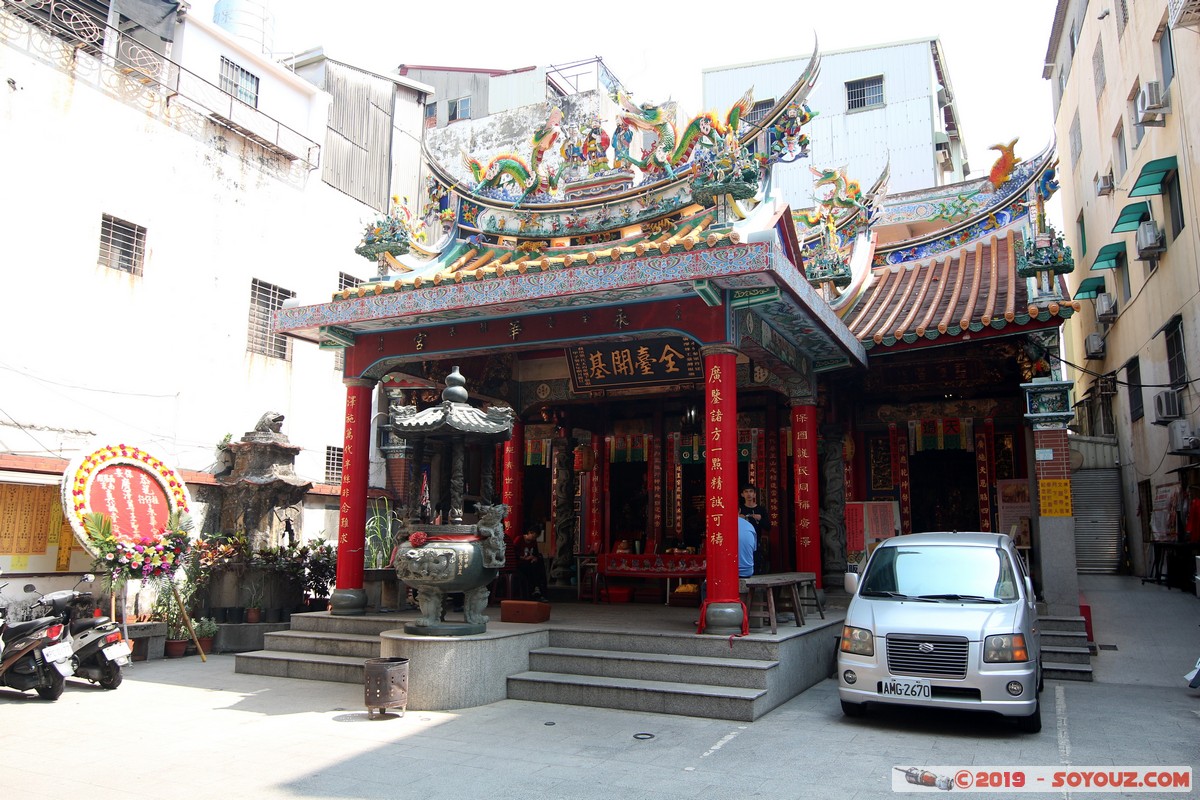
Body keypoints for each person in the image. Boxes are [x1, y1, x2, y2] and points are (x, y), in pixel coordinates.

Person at [739, 485, 768, 573]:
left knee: (756, 564)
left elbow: (768, 527)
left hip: (756, 542)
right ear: (742, 494)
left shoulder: (761, 509)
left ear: (755, 494)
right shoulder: (740, 509)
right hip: (741, 543)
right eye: (746, 492)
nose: (749, 494)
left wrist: (760, 519)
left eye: (751, 491)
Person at [515, 529, 548, 602]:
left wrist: (534, 557)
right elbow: (514, 552)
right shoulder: (519, 539)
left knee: (538, 566)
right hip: (521, 562)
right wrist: (522, 557)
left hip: (530, 562)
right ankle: (535, 589)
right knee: (532, 569)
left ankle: (538, 588)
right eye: (533, 536)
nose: (534, 539)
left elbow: (536, 553)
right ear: (529, 533)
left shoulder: (534, 542)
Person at [737, 512, 757, 579]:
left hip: (731, 571)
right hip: (748, 571)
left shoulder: (723, 524)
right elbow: (754, 549)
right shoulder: (750, 526)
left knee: (705, 587)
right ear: (739, 510)